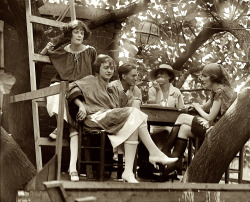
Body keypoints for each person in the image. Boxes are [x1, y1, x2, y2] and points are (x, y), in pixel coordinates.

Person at [67, 54, 178, 183]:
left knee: (134, 121)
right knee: (134, 115)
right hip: (94, 118)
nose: (109, 71)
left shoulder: (112, 89)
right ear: (98, 69)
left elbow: (126, 103)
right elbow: (71, 88)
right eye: (106, 68)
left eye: (111, 68)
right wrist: (81, 105)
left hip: (109, 118)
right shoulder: (91, 80)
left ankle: (128, 172)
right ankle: (154, 153)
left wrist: (135, 98)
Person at [40, 20, 97, 181]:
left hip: (79, 89)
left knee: (75, 122)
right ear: (69, 34)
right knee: (55, 92)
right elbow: (44, 54)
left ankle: (72, 165)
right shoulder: (62, 51)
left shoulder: (90, 51)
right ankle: (62, 125)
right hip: (61, 86)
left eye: (82, 32)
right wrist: (48, 46)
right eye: (76, 32)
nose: (79, 35)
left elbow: (93, 74)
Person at [161, 63, 236, 179]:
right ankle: (170, 168)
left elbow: (210, 117)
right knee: (184, 129)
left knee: (181, 118)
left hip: (218, 131)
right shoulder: (215, 90)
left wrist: (197, 108)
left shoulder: (221, 91)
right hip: (213, 128)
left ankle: (164, 152)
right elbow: (204, 107)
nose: (202, 79)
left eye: (204, 76)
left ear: (213, 77)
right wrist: (192, 106)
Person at [137, 64, 184, 180]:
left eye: (162, 73)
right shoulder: (153, 89)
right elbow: (155, 106)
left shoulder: (176, 91)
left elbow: (182, 111)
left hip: (171, 127)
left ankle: (168, 169)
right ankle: (157, 169)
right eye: (158, 73)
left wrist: (178, 98)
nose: (159, 75)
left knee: (173, 133)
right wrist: (158, 90)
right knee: (153, 134)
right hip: (155, 126)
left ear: (169, 76)